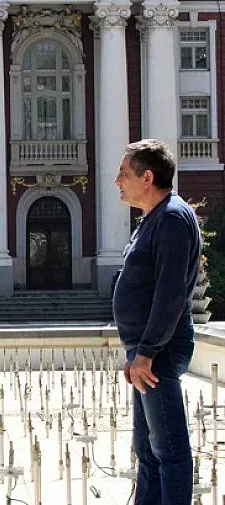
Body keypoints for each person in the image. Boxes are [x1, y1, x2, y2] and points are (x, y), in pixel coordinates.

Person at [113, 139, 201, 505]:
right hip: (147, 350)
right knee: (147, 448)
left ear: (147, 177)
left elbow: (170, 294)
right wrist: (137, 351)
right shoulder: (155, 218)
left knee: (169, 449)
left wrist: (146, 352)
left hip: (159, 351)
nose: (117, 180)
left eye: (123, 173)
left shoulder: (171, 219)